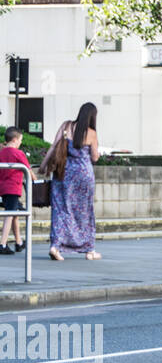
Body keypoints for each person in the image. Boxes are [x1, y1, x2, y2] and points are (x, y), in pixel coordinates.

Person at [47, 103, 100, 261]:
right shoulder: (91, 133)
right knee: (85, 211)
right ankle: (89, 249)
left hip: (63, 173)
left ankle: (56, 246)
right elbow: (95, 157)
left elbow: (54, 146)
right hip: (84, 175)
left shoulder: (66, 126)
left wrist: (44, 166)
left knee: (60, 209)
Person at [0, 127, 31, 255]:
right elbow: (28, 170)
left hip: (3, 187)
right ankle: (2, 244)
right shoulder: (18, 153)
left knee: (14, 214)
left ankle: (19, 242)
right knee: (9, 215)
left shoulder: (1, 152)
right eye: (20, 140)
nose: (21, 143)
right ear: (15, 140)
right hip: (13, 188)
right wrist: (33, 179)